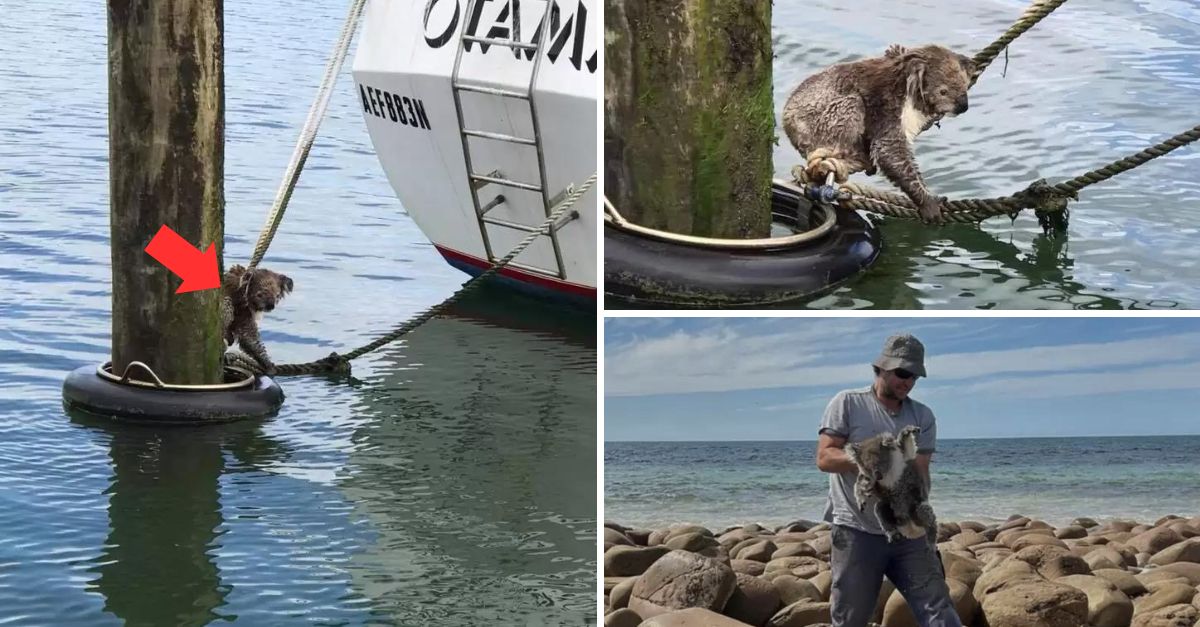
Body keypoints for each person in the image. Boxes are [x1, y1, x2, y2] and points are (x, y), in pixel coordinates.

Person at [815, 333, 961, 627]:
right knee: (850, 618)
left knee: (939, 610)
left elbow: (920, 473)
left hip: (908, 531)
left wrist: (924, 526)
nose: (907, 381)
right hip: (856, 531)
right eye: (902, 373)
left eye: (914, 376)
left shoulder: (922, 416)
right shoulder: (847, 403)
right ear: (880, 368)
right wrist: (870, 460)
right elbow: (825, 458)